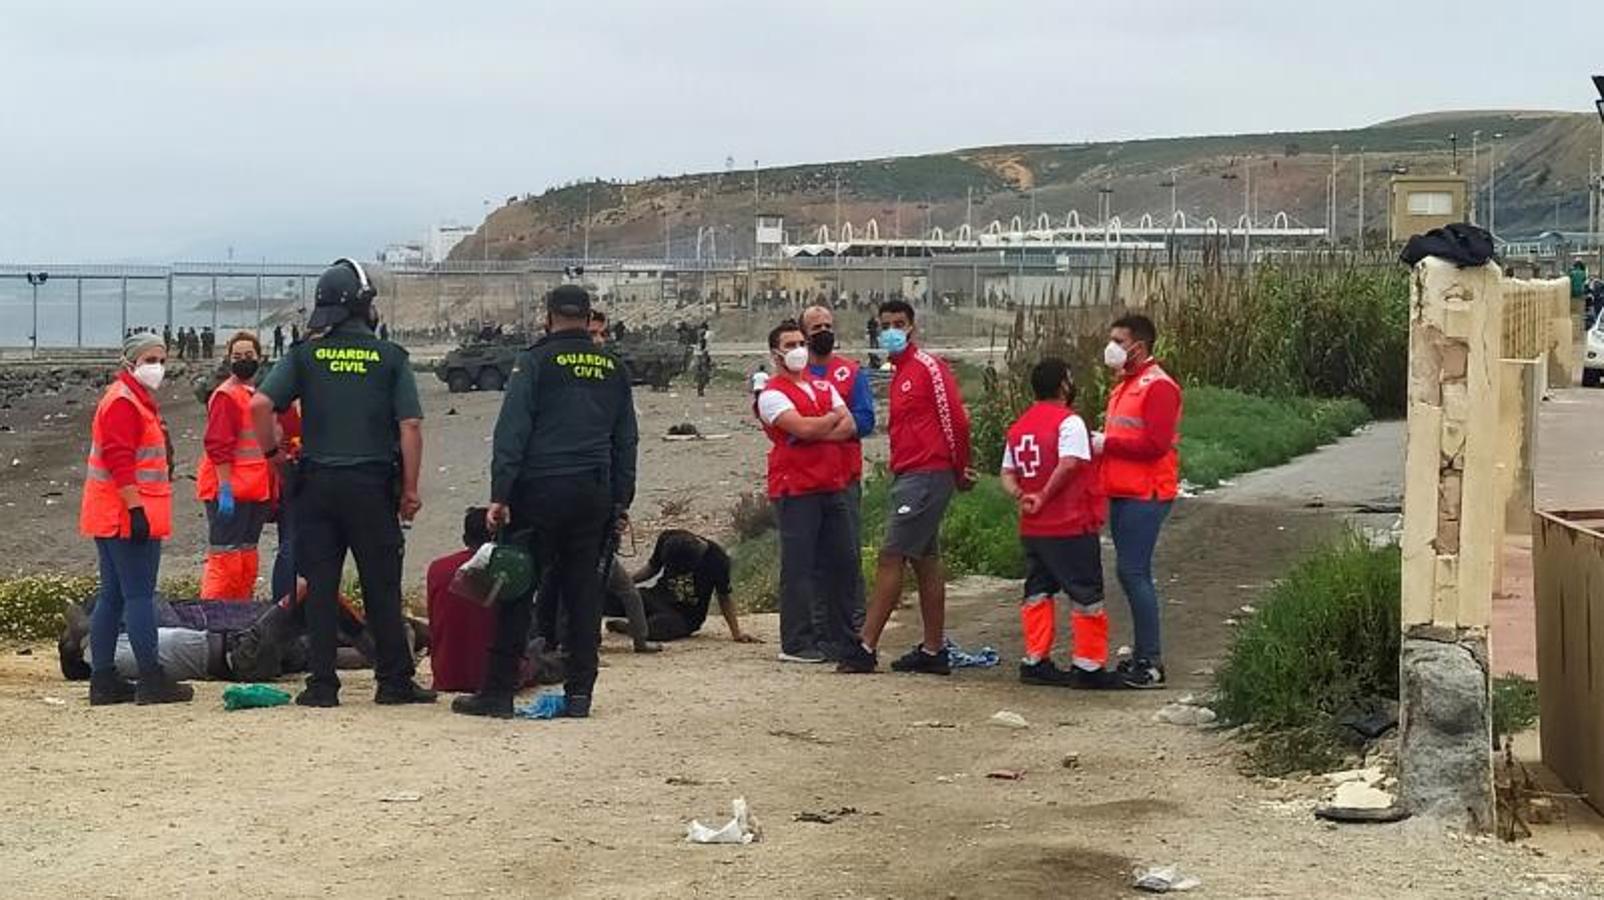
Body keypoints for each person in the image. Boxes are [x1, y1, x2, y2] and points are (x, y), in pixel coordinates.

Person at [252, 257, 434, 708]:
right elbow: (410, 425)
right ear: (364, 306)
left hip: (316, 485)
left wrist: (275, 457)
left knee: (319, 583)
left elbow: (259, 405)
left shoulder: (306, 355)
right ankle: (393, 682)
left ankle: (322, 685)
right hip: (372, 485)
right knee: (381, 586)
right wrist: (410, 490)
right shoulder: (390, 357)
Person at [453, 284, 638, 720]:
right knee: (583, 594)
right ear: (588, 316)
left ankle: (497, 694)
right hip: (592, 492)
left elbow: (512, 431)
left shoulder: (533, 362)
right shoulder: (612, 367)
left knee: (517, 589)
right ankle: (579, 695)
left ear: (549, 316)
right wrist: (620, 499)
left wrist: (500, 493)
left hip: (538, 490)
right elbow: (625, 439)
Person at [838, 300, 974, 675]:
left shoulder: (928, 368)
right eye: (886, 325)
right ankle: (933, 651)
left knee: (891, 554)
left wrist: (960, 468)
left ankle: (865, 645)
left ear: (912, 326)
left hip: (928, 473)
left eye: (900, 323)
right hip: (909, 473)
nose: (893, 330)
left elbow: (956, 421)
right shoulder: (898, 373)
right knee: (925, 560)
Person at [79, 332, 193, 705]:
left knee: (112, 596)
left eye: (161, 359)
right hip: (126, 513)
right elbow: (119, 460)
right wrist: (135, 509)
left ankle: (103, 678)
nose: (157, 366)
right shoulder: (125, 402)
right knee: (139, 595)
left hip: (111, 512)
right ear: (130, 362)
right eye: (150, 359)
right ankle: (150, 677)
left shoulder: (133, 399)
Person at [1001, 359, 1114, 688]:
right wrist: (1045, 495)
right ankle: (1089, 665)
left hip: (1034, 528)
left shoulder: (1019, 426)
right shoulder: (1070, 423)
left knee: (1037, 590)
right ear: (1064, 385)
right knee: (1086, 593)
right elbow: (1069, 464)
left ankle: (1035, 659)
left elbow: (1006, 474)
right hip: (1069, 522)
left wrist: (1023, 495)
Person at [757, 321, 860, 663]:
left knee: (842, 562)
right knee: (799, 567)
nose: (799, 349)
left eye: (801, 342)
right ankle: (797, 641)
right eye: (790, 344)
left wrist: (817, 431)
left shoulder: (823, 385)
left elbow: (849, 425)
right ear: (775, 353)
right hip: (796, 488)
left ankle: (842, 635)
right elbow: (799, 426)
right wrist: (823, 424)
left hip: (832, 483)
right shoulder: (771, 394)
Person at [1092, 314, 1183, 690]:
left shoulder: (1157, 387)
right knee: (1130, 573)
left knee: (1134, 573)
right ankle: (1145, 654)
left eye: (1117, 339)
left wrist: (1105, 443)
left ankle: (1150, 661)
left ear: (1138, 346)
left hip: (1147, 493)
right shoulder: (1126, 385)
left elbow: (1155, 445)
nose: (1111, 346)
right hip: (1125, 491)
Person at [800, 305, 873, 637]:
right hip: (805, 482)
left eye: (828, 325)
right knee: (811, 560)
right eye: (816, 327)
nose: (824, 331)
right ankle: (818, 629)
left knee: (847, 558)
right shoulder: (794, 379)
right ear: (803, 334)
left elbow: (864, 420)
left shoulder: (851, 373)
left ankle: (854, 626)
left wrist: (815, 431)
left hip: (845, 479)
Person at [198, 331, 272, 601]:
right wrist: (225, 487)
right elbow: (218, 446)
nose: (243, 360)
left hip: (253, 489)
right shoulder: (227, 396)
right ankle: (213, 619)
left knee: (245, 556)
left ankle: (239, 613)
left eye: (248, 356)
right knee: (225, 559)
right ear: (228, 360)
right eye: (237, 356)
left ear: (259, 358)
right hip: (229, 489)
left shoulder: (254, 394)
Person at [604, 529, 758, 643]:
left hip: (686, 616)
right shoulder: (667, 538)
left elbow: (724, 596)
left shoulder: (718, 560)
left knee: (656, 629)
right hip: (656, 597)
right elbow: (652, 569)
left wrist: (736, 633)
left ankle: (629, 627)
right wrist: (625, 584)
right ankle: (633, 623)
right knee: (609, 598)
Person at [426, 507, 500, 693]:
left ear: (465, 539)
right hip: (493, 677)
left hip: (446, 676)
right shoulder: (504, 571)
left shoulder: (437, 568)